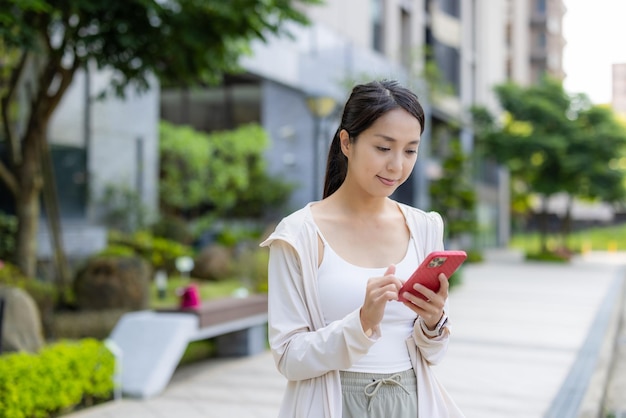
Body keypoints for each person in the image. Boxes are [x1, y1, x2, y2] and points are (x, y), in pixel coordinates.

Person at [260, 80, 465, 418]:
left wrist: (433, 322)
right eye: (383, 148)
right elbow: (288, 357)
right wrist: (362, 323)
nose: (397, 166)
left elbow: (432, 354)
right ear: (347, 142)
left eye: (410, 150)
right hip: (333, 404)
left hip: (410, 402)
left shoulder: (425, 227)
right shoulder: (299, 234)